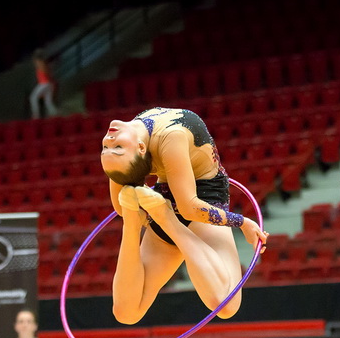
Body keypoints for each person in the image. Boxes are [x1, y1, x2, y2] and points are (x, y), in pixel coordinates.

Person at [100, 107, 268, 325]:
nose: (109, 141)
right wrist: (132, 219)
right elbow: (121, 206)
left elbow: (190, 208)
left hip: (202, 199)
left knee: (225, 305)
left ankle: (166, 218)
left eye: (113, 147)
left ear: (142, 148)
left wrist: (241, 222)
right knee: (126, 313)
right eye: (107, 148)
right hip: (166, 201)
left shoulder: (171, 136)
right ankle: (137, 223)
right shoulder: (124, 152)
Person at [29, 49, 57, 119]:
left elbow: (44, 70)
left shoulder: (40, 62)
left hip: (44, 83)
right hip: (49, 84)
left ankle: (36, 116)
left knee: (33, 98)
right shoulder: (44, 63)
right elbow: (49, 73)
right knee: (48, 102)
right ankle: (56, 114)